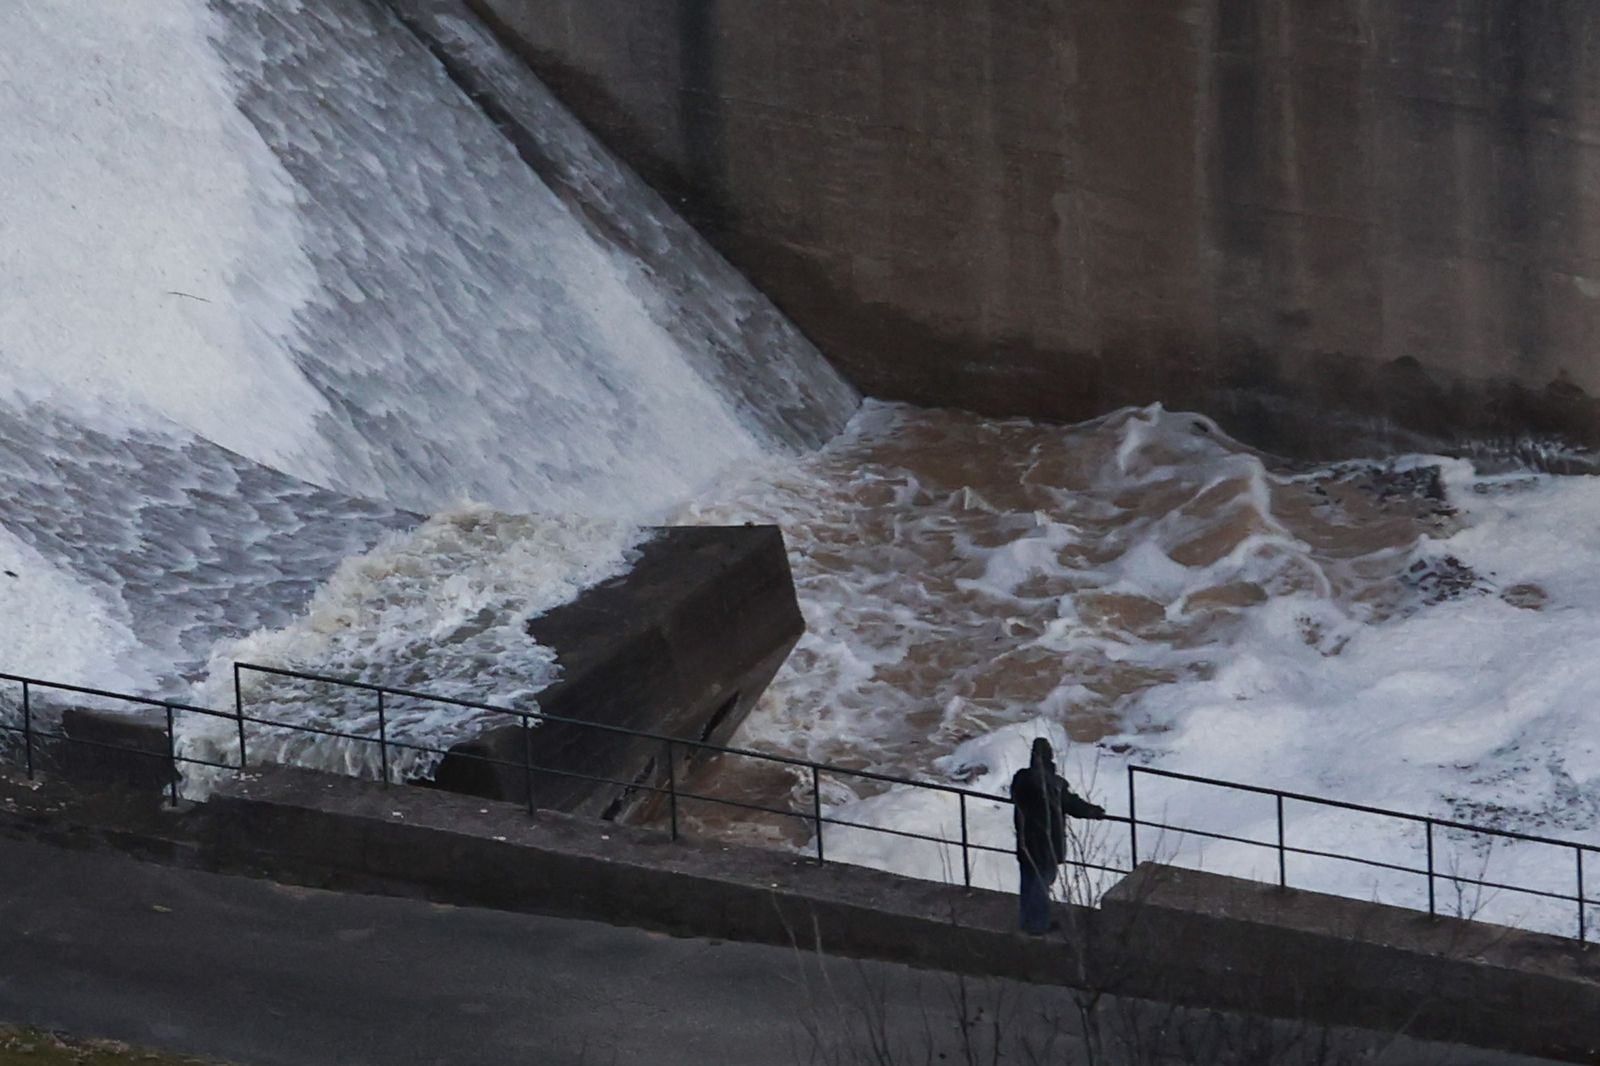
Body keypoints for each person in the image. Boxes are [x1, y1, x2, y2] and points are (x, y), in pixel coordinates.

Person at [1010, 738, 1105, 935]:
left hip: (1025, 839)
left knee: (1028, 879)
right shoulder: (1054, 784)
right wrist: (1094, 811)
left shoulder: (1021, 779)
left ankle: (1028, 920)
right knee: (1043, 881)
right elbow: (1073, 805)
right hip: (1047, 843)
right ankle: (1038, 924)